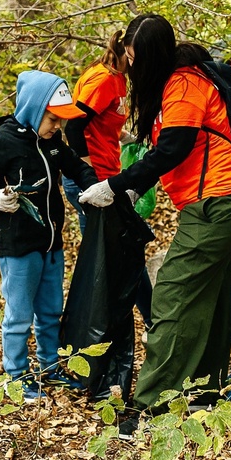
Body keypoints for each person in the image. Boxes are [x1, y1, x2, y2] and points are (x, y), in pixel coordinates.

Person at [79, 14, 231, 438]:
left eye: (135, 57)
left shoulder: (185, 85)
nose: (130, 65)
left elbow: (174, 147)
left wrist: (116, 185)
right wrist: (134, 187)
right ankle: (202, 395)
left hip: (217, 203)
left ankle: (150, 407)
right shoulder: (177, 85)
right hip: (214, 203)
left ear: (151, 55)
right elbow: (167, 148)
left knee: (171, 299)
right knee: (207, 301)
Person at [0, 70, 99, 401]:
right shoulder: (4, 141)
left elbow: (76, 167)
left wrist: (95, 185)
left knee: (51, 310)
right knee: (19, 314)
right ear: (34, 109)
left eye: (60, 121)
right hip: (18, 246)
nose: (57, 127)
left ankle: (49, 367)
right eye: (53, 119)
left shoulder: (52, 142)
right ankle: (16, 375)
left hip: (51, 243)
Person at [63, 33, 154, 328]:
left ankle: (142, 321)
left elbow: (102, 123)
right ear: (127, 53)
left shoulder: (118, 79)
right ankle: (104, 327)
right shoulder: (102, 78)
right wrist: (86, 172)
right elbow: (74, 125)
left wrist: (128, 137)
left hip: (108, 175)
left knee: (121, 251)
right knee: (117, 254)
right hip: (94, 182)